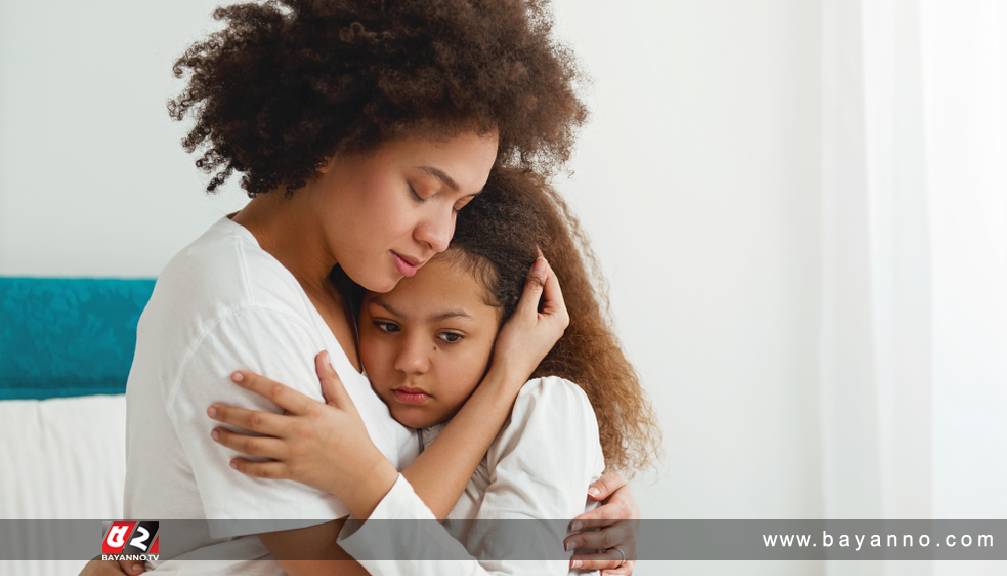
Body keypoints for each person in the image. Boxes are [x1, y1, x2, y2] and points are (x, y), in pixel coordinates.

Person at [80, 1, 637, 575]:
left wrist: (572, 497)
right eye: (422, 191)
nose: (439, 235)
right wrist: (504, 381)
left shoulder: (353, 288)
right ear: (330, 142)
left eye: (460, 205)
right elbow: (344, 563)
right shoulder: (244, 307)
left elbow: (173, 502)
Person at [199, 167, 661, 574]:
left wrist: (363, 480)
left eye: (450, 336)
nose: (410, 361)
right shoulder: (370, 406)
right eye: (386, 326)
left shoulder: (545, 409)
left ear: (513, 330)